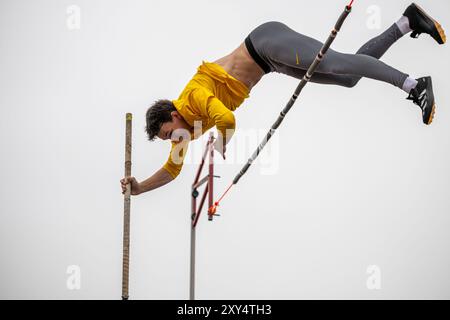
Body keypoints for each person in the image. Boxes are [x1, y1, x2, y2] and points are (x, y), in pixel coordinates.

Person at [121, 3, 446, 195]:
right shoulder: (184, 129)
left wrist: (221, 142)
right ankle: (407, 21)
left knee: (333, 62)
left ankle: (414, 85)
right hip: (270, 63)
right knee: (347, 78)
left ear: (174, 114)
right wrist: (139, 188)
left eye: (169, 133)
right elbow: (172, 170)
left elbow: (228, 121)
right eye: (168, 139)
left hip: (263, 43)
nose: (174, 140)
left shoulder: (193, 98)